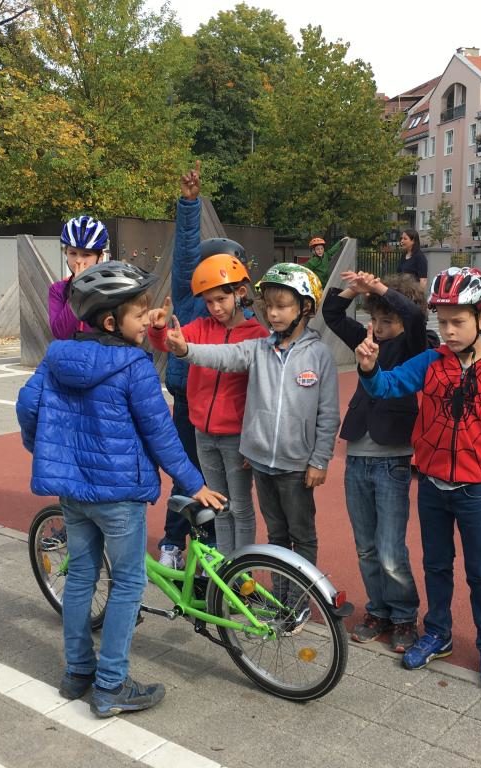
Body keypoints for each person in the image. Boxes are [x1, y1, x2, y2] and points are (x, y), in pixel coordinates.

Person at [17, 261, 225, 718]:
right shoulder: (133, 366)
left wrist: (46, 447)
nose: (147, 320)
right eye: (139, 314)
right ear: (111, 322)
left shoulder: (57, 356)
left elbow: (27, 406)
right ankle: (111, 685)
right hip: (119, 495)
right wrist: (196, 485)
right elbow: (161, 436)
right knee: (129, 583)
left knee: (82, 579)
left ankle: (77, 674)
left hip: (74, 494)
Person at [355, 266, 481, 691]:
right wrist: (370, 369)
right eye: (442, 322)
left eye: (457, 322)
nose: (447, 331)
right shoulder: (430, 362)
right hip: (431, 485)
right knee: (436, 565)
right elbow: (388, 387)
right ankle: (438, 633)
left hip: (475, 491)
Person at [164, 263, 340, 628]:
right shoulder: (259, 348)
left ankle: (299, 601)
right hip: (261, 461)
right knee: (276, 536)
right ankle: (280, 601)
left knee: (302, 535)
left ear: (305, 308)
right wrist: (185, 351)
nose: (273, 314)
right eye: (269, 306)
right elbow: (223, 357)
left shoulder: (318, 355)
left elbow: (328, 415)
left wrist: (319, 460)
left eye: (283, 306)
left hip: (297, 466)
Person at [322, 270, 436, 653]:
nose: (378, 327)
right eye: (374, 319)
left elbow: (418, 317)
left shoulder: (415, 345)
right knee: (366, 547)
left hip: (393, 459)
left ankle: (404, 616)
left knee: (390, 548)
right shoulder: (367, 337)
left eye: (387, 320)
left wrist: (381, 288)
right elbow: (333, 315)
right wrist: (354, 290)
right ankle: (379, 610)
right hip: (358, 456)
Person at [147, 240, 269, 556]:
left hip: (236, 436)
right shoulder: (201, 326)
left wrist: (254, 440)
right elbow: (170, 343)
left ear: (239, 293)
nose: (215, 307)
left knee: (240, 506)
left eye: (221, 299)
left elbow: (263, 393)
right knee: (218, 504)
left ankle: (242, 571)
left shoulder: (257, 336)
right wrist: (160, 332)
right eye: (209, 301)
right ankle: (227, 569)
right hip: (203, 432)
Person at [156, 161, 213, 569]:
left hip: (221, 409)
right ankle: (174, 543)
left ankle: (211, 549)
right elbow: (187, 248)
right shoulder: (190, 296)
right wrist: (189, 204)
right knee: (184, 472)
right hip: (187, 401)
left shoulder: (239, 316)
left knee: (216, 483)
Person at [49, 215, 109, 340]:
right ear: (66, 253)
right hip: (69, 357)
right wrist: (77, 292)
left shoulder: (112, 288)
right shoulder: (58, 290)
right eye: (73, 253)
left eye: (86, 254)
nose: (78, 260)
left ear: (100, 257)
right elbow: (60, 333)